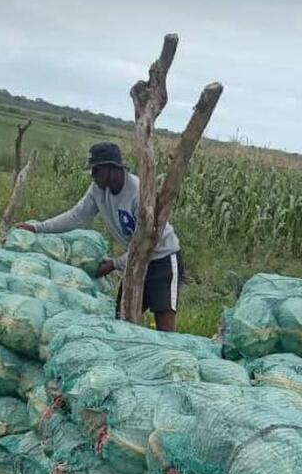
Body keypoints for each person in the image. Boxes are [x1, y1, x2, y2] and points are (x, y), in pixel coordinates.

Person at [18, 141, 183, 331]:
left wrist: (114, 264)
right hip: (133, 262)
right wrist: (37, 228)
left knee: (164, 328)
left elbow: (147, 242)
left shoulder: (138, 193)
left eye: (97, 170)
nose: (93, 175)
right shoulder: (98, 190)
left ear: (113, 168)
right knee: (121, 320)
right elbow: (76, 216)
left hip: (162, 260)